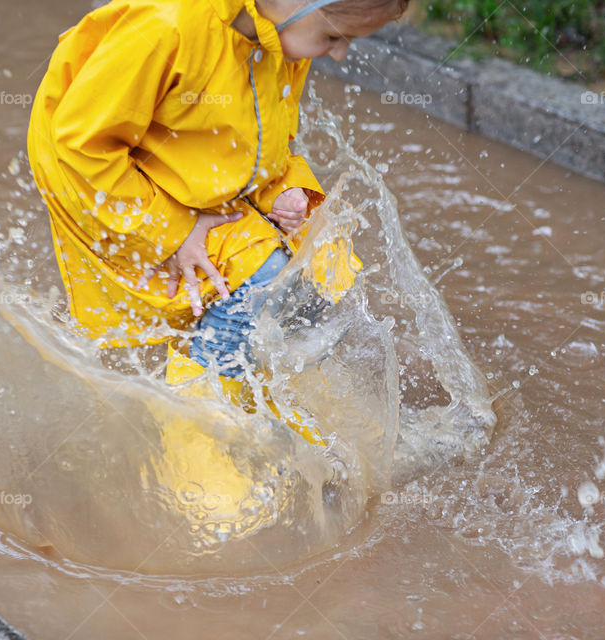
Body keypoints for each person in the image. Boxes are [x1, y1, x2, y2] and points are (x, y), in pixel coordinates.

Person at [27, 0, 406, 443]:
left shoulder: (277, 39)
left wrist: (285, 192)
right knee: (259, 280)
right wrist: (172, 231)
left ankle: (261, 401)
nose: (339, 55)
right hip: (100, 180)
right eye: (335, 38)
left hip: (175, 173)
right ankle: (199, 434)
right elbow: (78, 146)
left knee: (322, 265)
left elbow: (257, 145)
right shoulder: (169, 27)